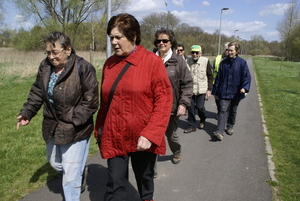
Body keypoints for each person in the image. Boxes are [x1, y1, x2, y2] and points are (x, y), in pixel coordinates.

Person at [94, 13, 173, 201]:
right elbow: (106, 101)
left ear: (134, 36)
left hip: (142, 135)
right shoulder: (109, 64)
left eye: (118, 37)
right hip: (115, 133)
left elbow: (163, 101)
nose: (113, 42)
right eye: (111, 37)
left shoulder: (151, 62)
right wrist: (100, 129)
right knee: (115, 185)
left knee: (144, 178)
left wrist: (150, 133)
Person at [16, 31, 99, 201]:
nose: (51, 57)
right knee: (54, 163)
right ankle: (79, 171)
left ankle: (75, 181)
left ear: (68, 50)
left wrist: (73, 119)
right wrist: (27, 113)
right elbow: (38, 92)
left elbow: (91, 102)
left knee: (70, 176)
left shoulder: (83, 68)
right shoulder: (45, 66)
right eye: (48, 52)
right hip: (52, 125)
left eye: (55, 52)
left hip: (76, 128)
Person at [154, 28, 193, 164]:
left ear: (171, 43)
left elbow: (187, 84)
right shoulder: (151, 59)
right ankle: (151, 169)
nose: (161, 43)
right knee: (154, 137)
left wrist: (183, 104)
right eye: (159, 40)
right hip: (152, 108)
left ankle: (176, 151)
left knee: (171, 136)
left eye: (165, 40)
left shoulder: (178, 61)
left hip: (171, 108)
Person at [212, 41, 251, 140]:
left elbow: (246, 77)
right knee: (222, 110)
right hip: (224, 91)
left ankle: (230, 126)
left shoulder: (242, 63)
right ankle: (220, 131)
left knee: (233, 111)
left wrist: (244, 88)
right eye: (228, 50)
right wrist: (215, 91)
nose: (229, 52)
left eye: (231, 50)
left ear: (237, 51)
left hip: (236, 92)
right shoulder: (223, 63)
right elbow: (218, 78)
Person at [184, 45, 213, 133]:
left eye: (197, 52)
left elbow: (210, 76)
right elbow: (184, 77)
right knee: (190, 108)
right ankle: (192, 126)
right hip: (190, 89)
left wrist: (209, 90)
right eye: (193, 52)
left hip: (202, 89)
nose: (195, 54)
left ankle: (203, 119)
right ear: (190, 53)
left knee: (200, 107)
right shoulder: (187, 62)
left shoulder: (205, 61)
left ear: (200, 53)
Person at [213, 42, 229, 119]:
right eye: (226, 50)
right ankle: (220, 111)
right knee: (217, 100)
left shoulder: (234, 59)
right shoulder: (218, 58)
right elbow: (213, 70)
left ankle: (224, 113)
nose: (228, 51)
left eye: (229, 50)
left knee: (227, 101)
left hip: (228, 84)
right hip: (217, 83)